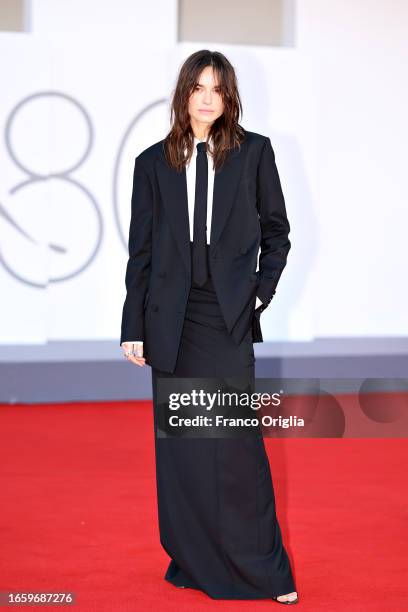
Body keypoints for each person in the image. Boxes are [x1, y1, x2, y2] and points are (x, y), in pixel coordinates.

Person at [120, 49, 299, 604]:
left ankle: (264, 571)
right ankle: (196, 559)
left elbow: (278, 233)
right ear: (183, 93)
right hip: (170, 321)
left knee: (236, 447)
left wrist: (259, 297)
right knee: (184, 449)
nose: (205, 97)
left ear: (228, 98)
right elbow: (141, 253)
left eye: (216, 89)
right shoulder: (152, 163)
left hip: (226, 320)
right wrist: (133, 325)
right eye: (197, 86)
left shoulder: (255, 154)